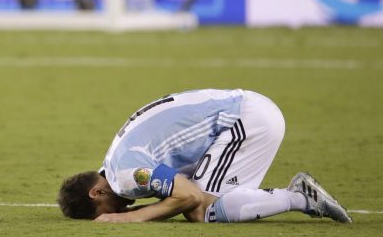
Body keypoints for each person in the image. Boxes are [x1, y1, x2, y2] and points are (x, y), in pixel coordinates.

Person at [58, 89, 352, 224]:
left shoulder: (125, 177)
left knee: (201, 211)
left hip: (245, 121)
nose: (116, 212)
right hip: (248, 110)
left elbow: (190, 197)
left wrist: (134, 218)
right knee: (201, 199)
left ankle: (300, 197)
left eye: (108, 211)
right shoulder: (114, 162)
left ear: (97, 192)